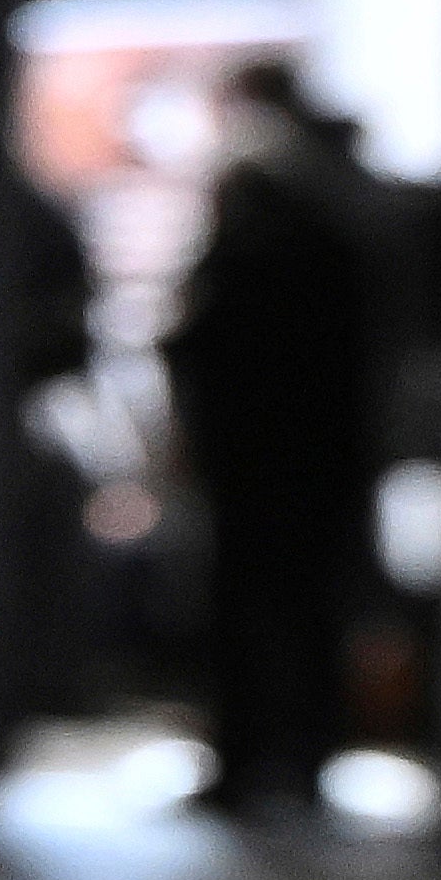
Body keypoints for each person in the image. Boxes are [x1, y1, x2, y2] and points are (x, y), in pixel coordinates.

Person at [168, 58, 384, 823]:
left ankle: (249, 760)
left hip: (260, 442)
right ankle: (303, 761)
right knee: (312, 600)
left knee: (248, 601)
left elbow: (215, 327)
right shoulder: (343, 188)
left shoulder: (263, 184)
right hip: (326, 439)